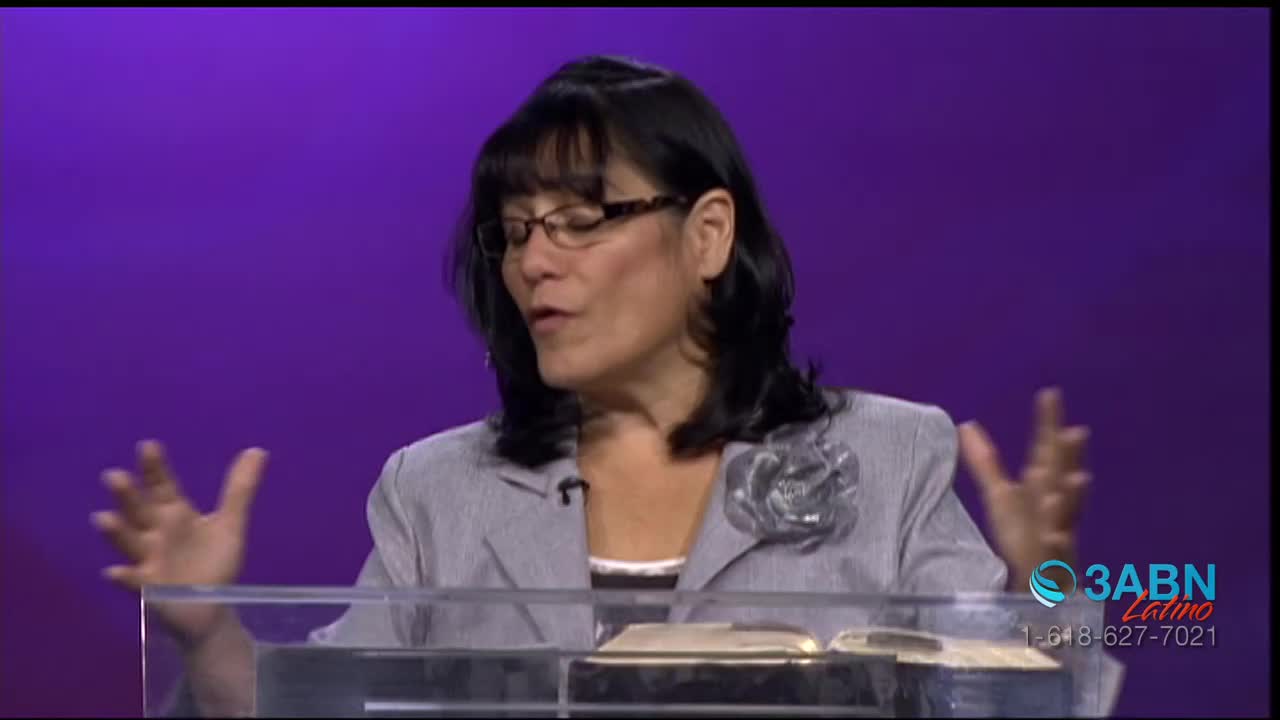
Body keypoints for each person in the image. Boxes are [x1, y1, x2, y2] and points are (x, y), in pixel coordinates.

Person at [92, 56, 1104, 716]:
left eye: (580, 220)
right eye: (516, 231)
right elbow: (319, 710)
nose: (536, 261)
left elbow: (1029, 698)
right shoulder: (438, 489)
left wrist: (1042, 587)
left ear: (707, 235)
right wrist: (205, 625)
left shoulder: (885, 458)